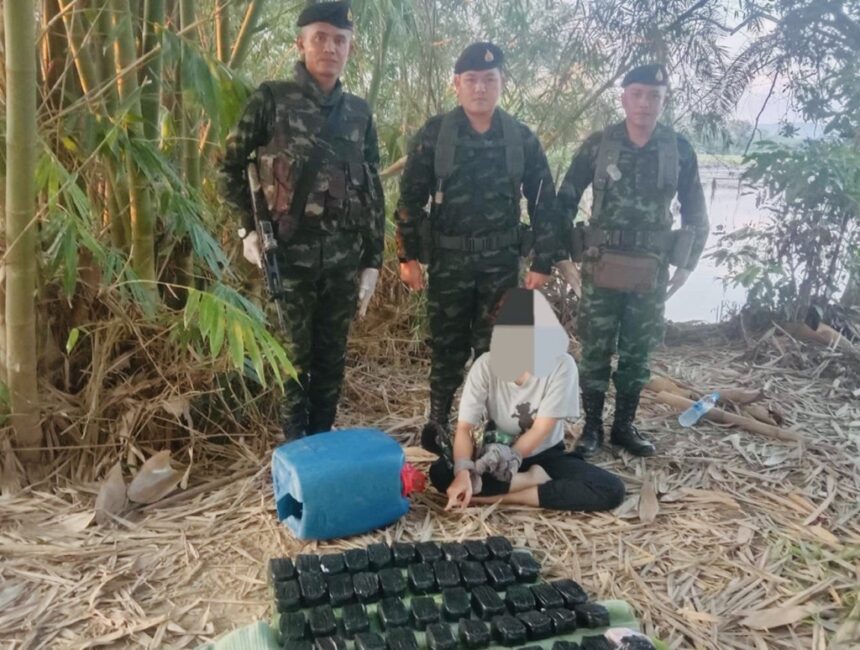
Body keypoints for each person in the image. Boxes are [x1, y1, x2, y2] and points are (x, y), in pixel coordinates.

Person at [218, 1, 385, 440]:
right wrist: (246, 230)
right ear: (302, 43)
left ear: (349, 48)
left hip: (343, 258)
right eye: (321, 38)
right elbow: (229, 166)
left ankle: (323, 446)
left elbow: (371, 189)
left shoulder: (359, 114)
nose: (330, 47)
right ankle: (296, 452)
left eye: (340, 40)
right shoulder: (271, 99)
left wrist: (373, 261)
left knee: (331, 361)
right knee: (293, 361)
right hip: (288, 255)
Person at [396, 42, 559, 457]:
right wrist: (407, 256)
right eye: (471, 80)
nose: (481, 89)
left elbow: (544, 201)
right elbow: (409, 199)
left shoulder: (520, 138)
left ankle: (494, 429)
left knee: (500, 351)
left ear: (501, 83)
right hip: (449, 261)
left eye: (489, 80)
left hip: (501, 264)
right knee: (447, 345)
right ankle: (438, 422)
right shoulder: (436, 134)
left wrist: (542, 261)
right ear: (457, 85)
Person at [556, 63, 709, 457]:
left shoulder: (678, 149)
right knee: (594, 349)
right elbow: (564, 200)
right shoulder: (599, 145)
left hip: (651, 271)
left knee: (637, 351)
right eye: (637, 94)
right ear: (624, 97)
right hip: (600, 265)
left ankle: (623, 425)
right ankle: (591, 428)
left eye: (654, 96)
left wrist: (687, 265)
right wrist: (563, 257)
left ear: (664, 100)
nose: (645, 103)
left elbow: (696, 212)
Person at [432, 288, 625, 512]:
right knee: (440, 472)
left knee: (610, 489)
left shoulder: (562, 365)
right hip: (495, 454)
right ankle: (528, 484)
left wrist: (511, 458)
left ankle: (510, 496)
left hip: (543, 456)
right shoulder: (485, 365)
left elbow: (540, 430)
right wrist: (464, 472)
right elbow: (464, 428)